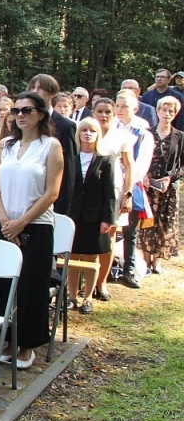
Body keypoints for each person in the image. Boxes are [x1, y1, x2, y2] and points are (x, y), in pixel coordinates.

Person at [0, 91, 64, 370]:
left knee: (31, 287)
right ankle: (7, 339)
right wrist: (7, 221)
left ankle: (27, 344)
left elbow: (51, 192)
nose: (20, 115)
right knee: (3, 285)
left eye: (27, 110)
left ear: (41, 114)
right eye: (16, 110)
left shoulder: (51, 146)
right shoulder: (5, 145)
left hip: (36, 226)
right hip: (5, 225)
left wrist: (22, 222)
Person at [65, 117, 115, 315]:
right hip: (73, 215)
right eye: (84, 130)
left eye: (92, 131)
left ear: (97, 134)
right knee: (72, 257)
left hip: (94, 217)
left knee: (90, 258)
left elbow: (110, 192)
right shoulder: (71, 157)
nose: (87, 134)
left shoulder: (106, 159)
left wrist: (107, 218)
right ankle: (71, 296)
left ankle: (87, 298)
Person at [90, 97, 134, 301]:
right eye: (100, 111)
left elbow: (129, 166)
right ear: (93, 112)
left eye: (108, 111)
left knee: (109, 237)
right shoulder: (86, 131)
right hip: (90, 191)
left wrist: (128, 194)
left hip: (114, 190)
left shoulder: (122, 136)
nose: (104, 115)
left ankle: (102, 282)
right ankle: (86, 281)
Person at [112, 89, 154, 289]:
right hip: (108, 184)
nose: (119, 110)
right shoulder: (109, 127)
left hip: (129, 184)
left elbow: (141, 165)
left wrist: (125, 181)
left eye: (124, 106)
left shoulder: (142, 133)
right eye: (117, 106)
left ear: (135, 108)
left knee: (130, 230)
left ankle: (128, 270)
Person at [138, 96, 184, 275]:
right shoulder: (147, 133)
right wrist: (145, 175)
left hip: (168, 187)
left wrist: (170, 178)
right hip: (148, 184)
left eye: (171, 111)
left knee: (164, 222)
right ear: (157, 111)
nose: (167, 114)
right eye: (164, 110)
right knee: (147, 221)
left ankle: (157, 259)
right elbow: (139, 158)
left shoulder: (180, 136)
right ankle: (145, 258)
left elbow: (182, 164)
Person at [28, 74, 78, 215]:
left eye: (40, 88)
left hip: (52, 200)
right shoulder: (22, 121)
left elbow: (68, 171)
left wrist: (62, 209)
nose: (35, 92)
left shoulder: (65, 125)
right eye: (32, 87)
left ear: (51, 93)